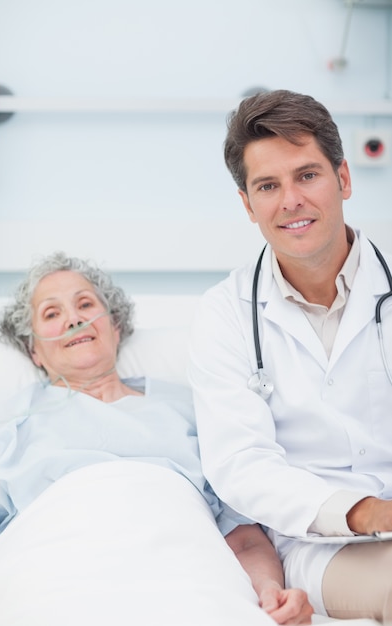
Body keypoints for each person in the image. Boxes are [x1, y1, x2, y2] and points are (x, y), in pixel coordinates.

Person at [0, 251, 312, 626]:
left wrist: (269, 591)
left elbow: (245, 537)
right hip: (49, 567)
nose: (74, 318)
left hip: (184, 568)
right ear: (33, 350)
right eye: (52, 313)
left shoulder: (198, 408)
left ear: (115, 326)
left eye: (85, 304)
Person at [188, 89, 392, 622]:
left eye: (307, 175)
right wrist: (365, 512)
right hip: (319, 545)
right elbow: (242, 465)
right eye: (268, 186)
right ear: (247, 203)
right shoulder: (225, 314)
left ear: (343, 179)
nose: (290, 201)